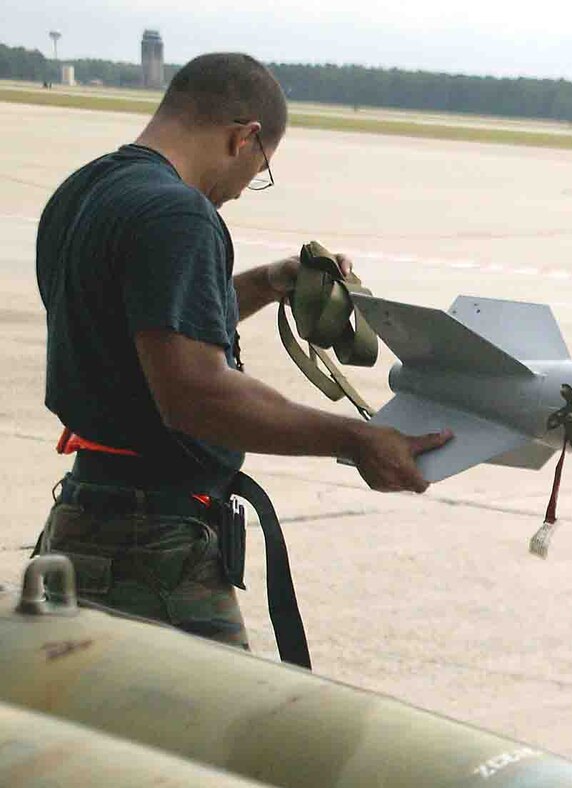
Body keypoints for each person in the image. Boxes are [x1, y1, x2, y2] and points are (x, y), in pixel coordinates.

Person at [34, 51, 448, 658]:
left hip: (83, 523)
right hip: (152, 552)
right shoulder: (180, 214)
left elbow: (149, 325)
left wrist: (268, 282)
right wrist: (355, 438)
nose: (241, 190)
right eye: (260, 169)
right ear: (245, 138)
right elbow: (196, 394)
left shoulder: (85, 192)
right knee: (210, 746)